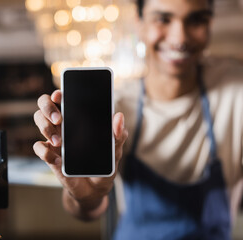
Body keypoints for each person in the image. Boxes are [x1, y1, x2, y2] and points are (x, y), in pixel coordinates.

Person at [33, 0, 243, 239]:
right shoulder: (118, 107)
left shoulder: (236, 92)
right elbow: (88, 210)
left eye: (195, 19)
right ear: (138, 23)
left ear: (210, 23)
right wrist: (86, 197)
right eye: (163, 19)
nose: (180, 38)